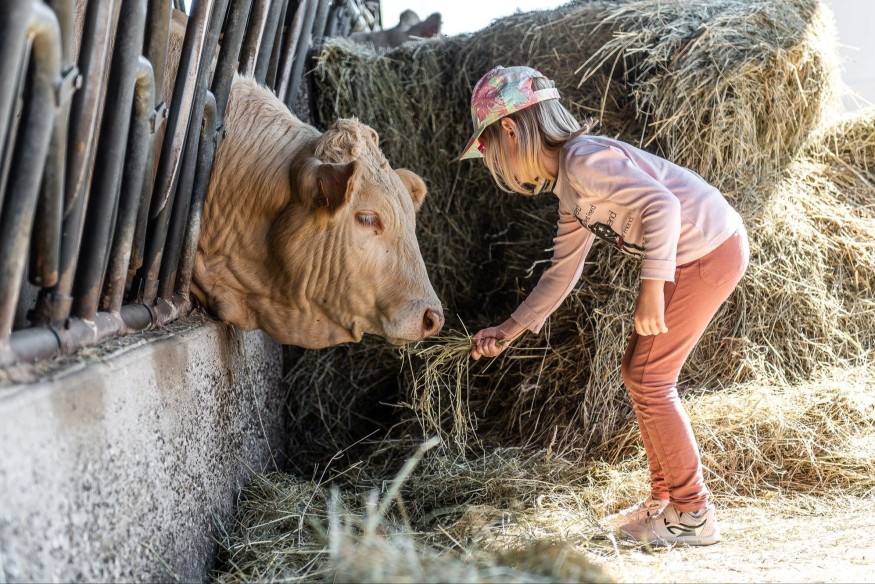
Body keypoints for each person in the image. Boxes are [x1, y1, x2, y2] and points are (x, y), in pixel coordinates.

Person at [458, 65, 749, 546]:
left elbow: (663, 206)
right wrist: (508, 330)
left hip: (709, 249)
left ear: (510, 129)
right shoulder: (569, 189)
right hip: (697, 253)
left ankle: (693, 513)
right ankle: (664, 501)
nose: (496, 166)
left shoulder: (584, 161)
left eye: (490, 150)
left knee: (652, 379)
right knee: (639, 374)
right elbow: (561, 273)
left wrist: (653, 286)